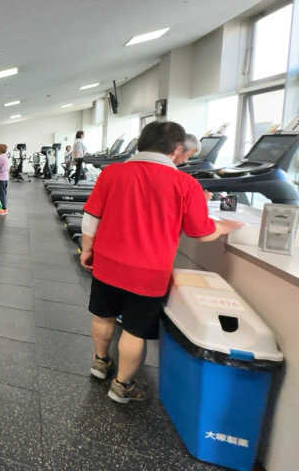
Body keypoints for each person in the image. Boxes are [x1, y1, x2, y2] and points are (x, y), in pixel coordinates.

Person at [80, 121, 242, 404]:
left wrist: (86, 249)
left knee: (102, 316)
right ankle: (121, 386)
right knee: (133, 330)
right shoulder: (186, 184)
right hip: (149, 271)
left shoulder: (112, 173)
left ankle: (100, 362)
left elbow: (91, 217)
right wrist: (224, 227)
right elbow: (201, 233)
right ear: (177, 149)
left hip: (107, 261)